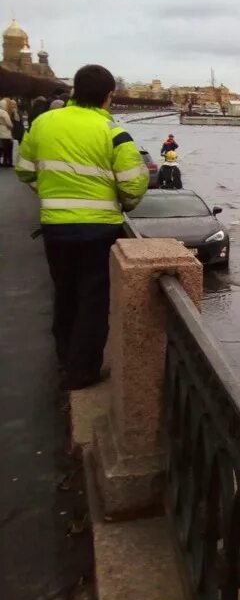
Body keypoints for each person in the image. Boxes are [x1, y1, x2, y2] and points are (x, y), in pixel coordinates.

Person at [15, 64, 148, 390]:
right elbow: (134, 183)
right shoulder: (113, 132)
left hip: (56, 228)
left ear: (74, 91)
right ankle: (83, 370)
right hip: (98, 231)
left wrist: (50, 194)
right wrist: (123, 205)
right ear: (108, 97)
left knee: (65, 294)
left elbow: (25, 170)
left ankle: (65, 359)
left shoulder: (44, 123)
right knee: (93, 299)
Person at [0, 99, 13, 166]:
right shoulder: (4, 112)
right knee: (6, 149)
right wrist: (11, 126)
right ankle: (6, 162)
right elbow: (8, 123)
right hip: (5, 132)